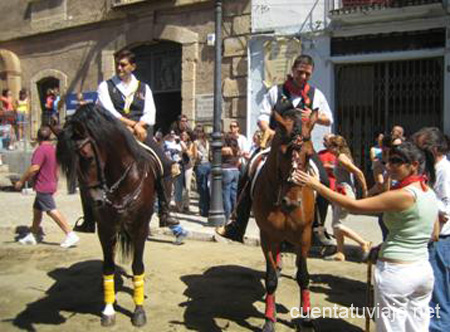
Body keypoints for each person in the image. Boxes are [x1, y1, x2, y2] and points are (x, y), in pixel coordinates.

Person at [295, 141, 438, 332]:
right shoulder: (428, 192)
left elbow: (354, 207)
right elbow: (434, 234)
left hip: (397, 273)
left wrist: (317, 186)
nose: (389, 165)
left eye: (396, 161)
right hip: (422, 270)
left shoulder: (404, 195)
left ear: (413, 165)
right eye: (388, 160)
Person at [216, 54, 333, 244]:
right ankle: (237, 223)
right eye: (300, 72)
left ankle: (318, 227)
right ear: (293, 70)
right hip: (278, 147)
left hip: (302, 147)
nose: (303, 77)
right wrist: (268, 129)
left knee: (325, 181)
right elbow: (262, 116)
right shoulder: (275, 92)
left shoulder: (315, 94)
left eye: (307, 74)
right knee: (247, 171)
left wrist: (314, 116)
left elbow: (329, 118)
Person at [75, 49, 178, 232]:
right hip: (113, 133)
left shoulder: (144, 88)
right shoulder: (105, 87)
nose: (119, 68)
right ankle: (89, 219)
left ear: (133, 66)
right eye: (117, 64)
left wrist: (140, 127)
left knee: (165, 164)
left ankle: (165, 211)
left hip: (140, 133)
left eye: (123, 65)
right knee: (87, 164)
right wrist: (132, 125)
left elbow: (150, 113)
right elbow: (108, 112)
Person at [15, 126, 80, 248]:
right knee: (37, 209)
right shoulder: (52, 149)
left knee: (51, 210)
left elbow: (35, 168)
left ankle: (70, 234)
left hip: (43, 185)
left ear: (37, 137)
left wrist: (21, 180)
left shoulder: (41, 150)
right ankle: (33, 234)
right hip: (49, 183)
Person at [411, 127, 450, 332]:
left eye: (421, 148)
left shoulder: (445, 171)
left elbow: (446, 208)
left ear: (434, 149)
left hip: (441, 240)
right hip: (431, 238)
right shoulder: (434, 171)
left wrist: (423, 199)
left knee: (439, 294)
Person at [323, 135, 370, 261]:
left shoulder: (342, 158)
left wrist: (365, 190)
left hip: (344, 192)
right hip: (342, 191)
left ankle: (363, 243)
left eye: (330, 146)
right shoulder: (340, 158)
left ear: (336, 147)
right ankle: (340, 252)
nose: (328, 148)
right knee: (337, 224)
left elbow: (358, 172)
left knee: (337, 225)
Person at [221, 132, 240, 221]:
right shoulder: (237, 148)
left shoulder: (225, 149)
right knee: (234, 195)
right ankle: (235, 214)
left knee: (226, 194)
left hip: (226, 170)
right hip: (235, 171)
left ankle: (226, 216)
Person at [193, 124, 211, 217]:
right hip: (208, 165)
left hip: (200, 166)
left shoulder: (195, 143)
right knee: (207, 188)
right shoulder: (207, 142)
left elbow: (195, 156)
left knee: (201, 188)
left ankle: (202, 209)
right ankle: (207, 209)